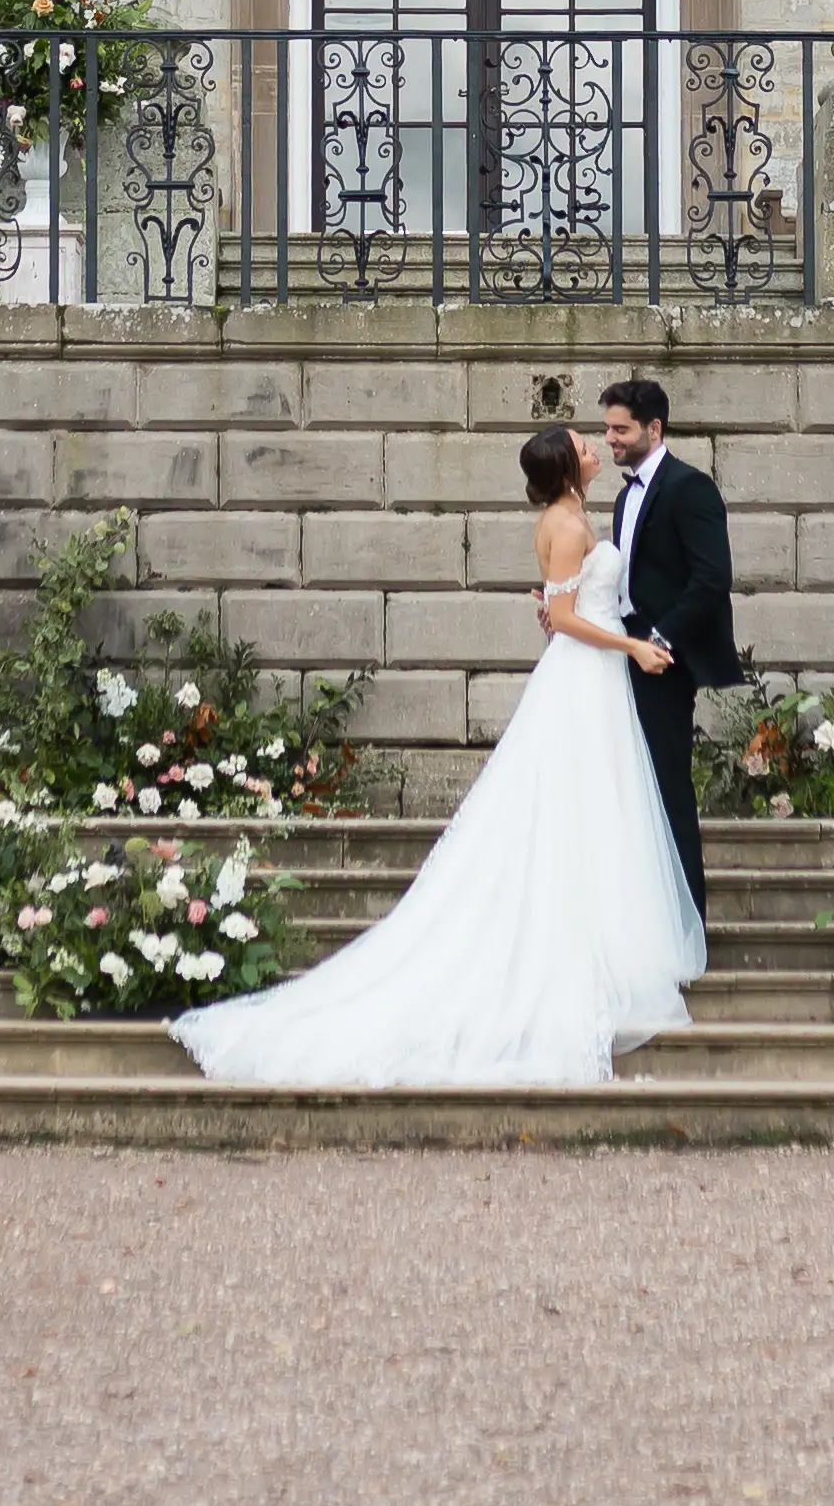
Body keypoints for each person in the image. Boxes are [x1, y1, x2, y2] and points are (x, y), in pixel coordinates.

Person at [169, 425, 704, 1088]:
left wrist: (568, 610)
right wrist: (632, 647)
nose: (595, 445)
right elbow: (565, 618)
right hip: (585, 671)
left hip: (589, 675)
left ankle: (599, 939)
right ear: (569, 464)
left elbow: (559, 602)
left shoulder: (571, 515)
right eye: (583, 442)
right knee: (577, 798)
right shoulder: (566, 524)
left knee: (594, 806)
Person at [600, 373, 743, 916]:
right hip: (625, 652)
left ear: (653, 428)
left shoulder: (689, 487)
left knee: (668, 789)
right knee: (633, 789)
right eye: (608, 428)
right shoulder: (623, 496)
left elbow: (712, 578)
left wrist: (659, 640)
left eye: (621, 429)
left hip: (662, 659)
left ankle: (688, 927)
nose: (610, 439)